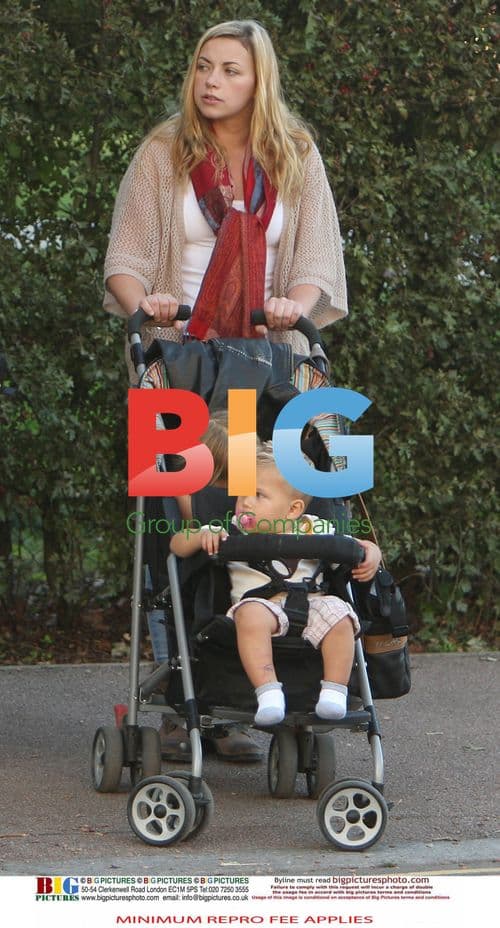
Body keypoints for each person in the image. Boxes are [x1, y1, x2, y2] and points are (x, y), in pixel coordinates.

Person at [103, 19, 348, 755]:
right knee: (188, 516)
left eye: (230, 70)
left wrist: (293, 306)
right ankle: (193, 689)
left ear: (258, 80)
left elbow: (316, 262)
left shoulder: (295, 156)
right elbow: (125, 257)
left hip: (270, 361)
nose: (211, 81)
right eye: (204, 67)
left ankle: (303, 667)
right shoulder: (162, 153)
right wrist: (143, 300)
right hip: (178, 360)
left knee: (314, 485)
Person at [171, 445, 381, 724]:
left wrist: (371, 553)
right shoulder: (234, 530)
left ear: (294, 509)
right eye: (242, 493)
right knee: (249, 616)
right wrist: (202, 534)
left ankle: (334, 690)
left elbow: (352, 547)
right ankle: (268, 691)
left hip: (312, 604)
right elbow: (177, 545)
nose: (245, 502)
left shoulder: (313, 527)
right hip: (261, 605)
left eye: (257, 495)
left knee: (342, 616)